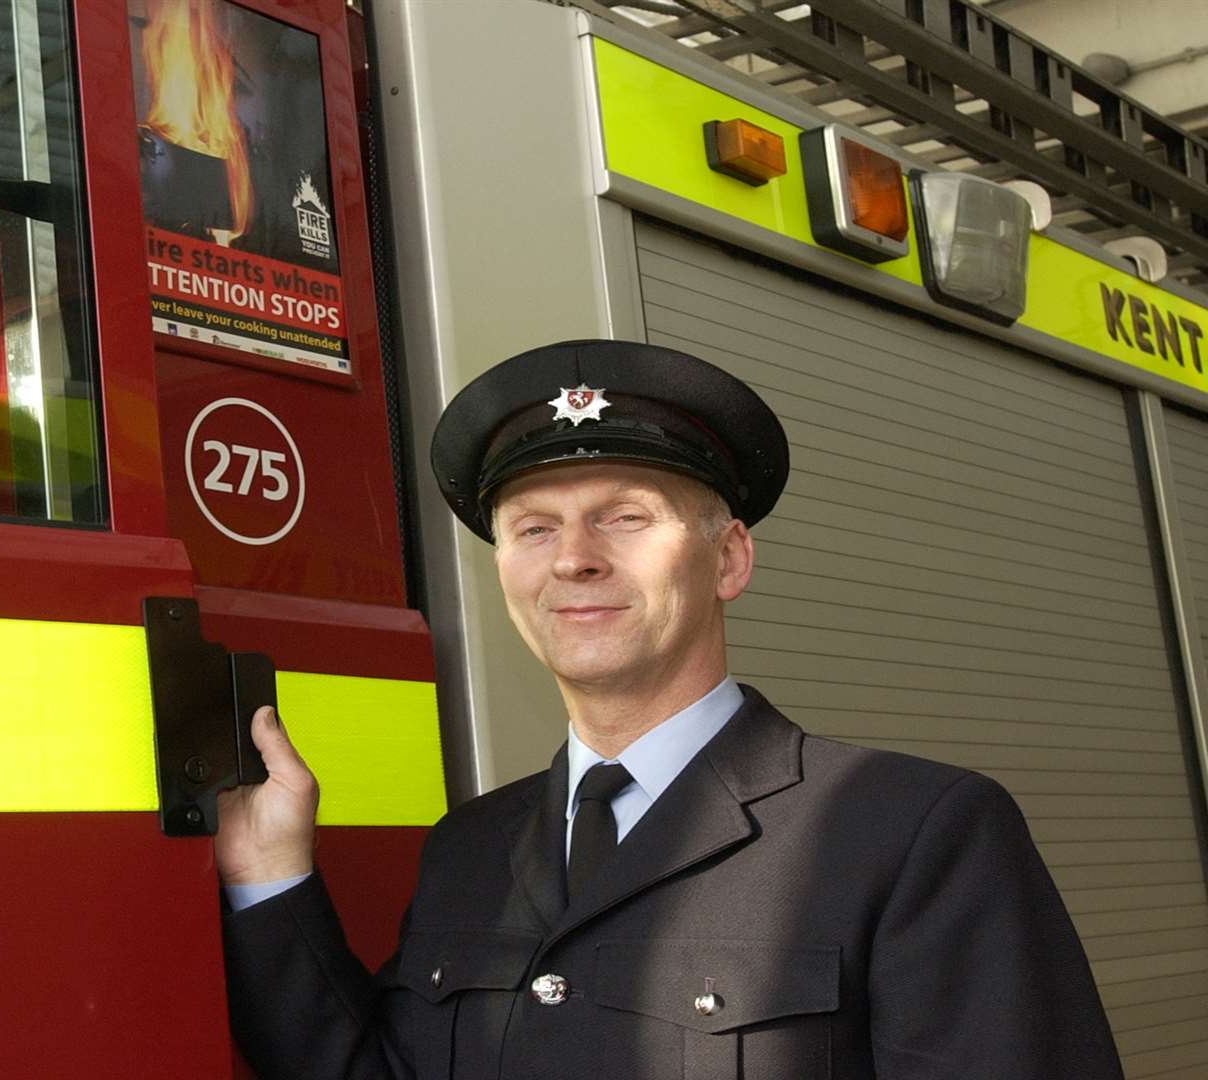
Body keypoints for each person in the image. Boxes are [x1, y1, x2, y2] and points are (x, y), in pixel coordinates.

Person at [213, 340, 1123, 1079]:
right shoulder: (470, 849)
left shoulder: (916, 834)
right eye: (534, 527)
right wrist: (269, 872)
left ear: (727, 561)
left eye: (625, 517)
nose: (573, 559)